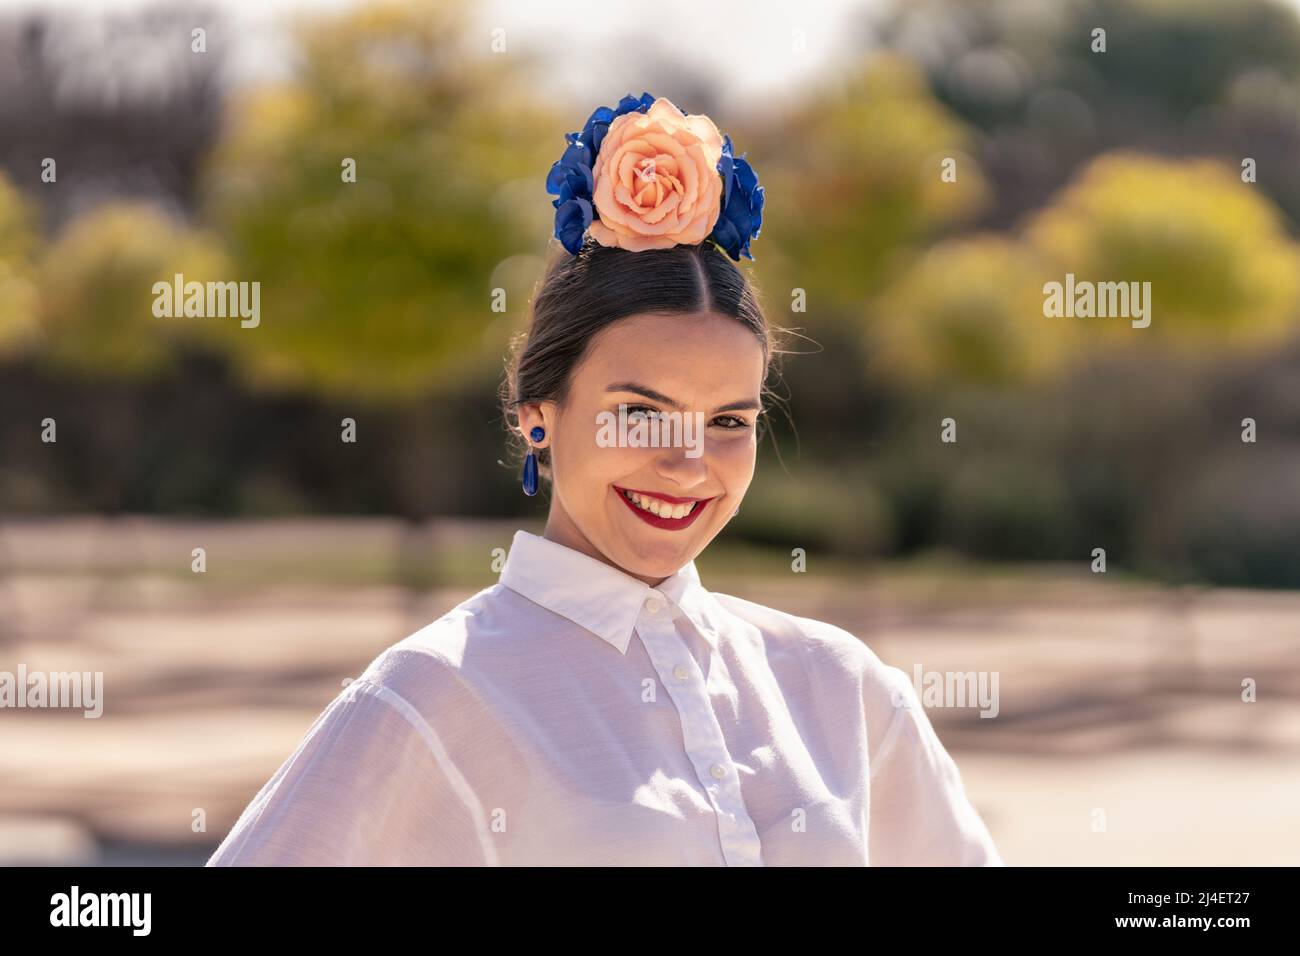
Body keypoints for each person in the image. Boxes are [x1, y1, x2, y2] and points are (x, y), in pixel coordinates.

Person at [206, 92, 1003, 867]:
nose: (688, 463)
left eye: (729, 420)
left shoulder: (840, 685)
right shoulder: (431, 696)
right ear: (536, 414)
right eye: (640, 411)